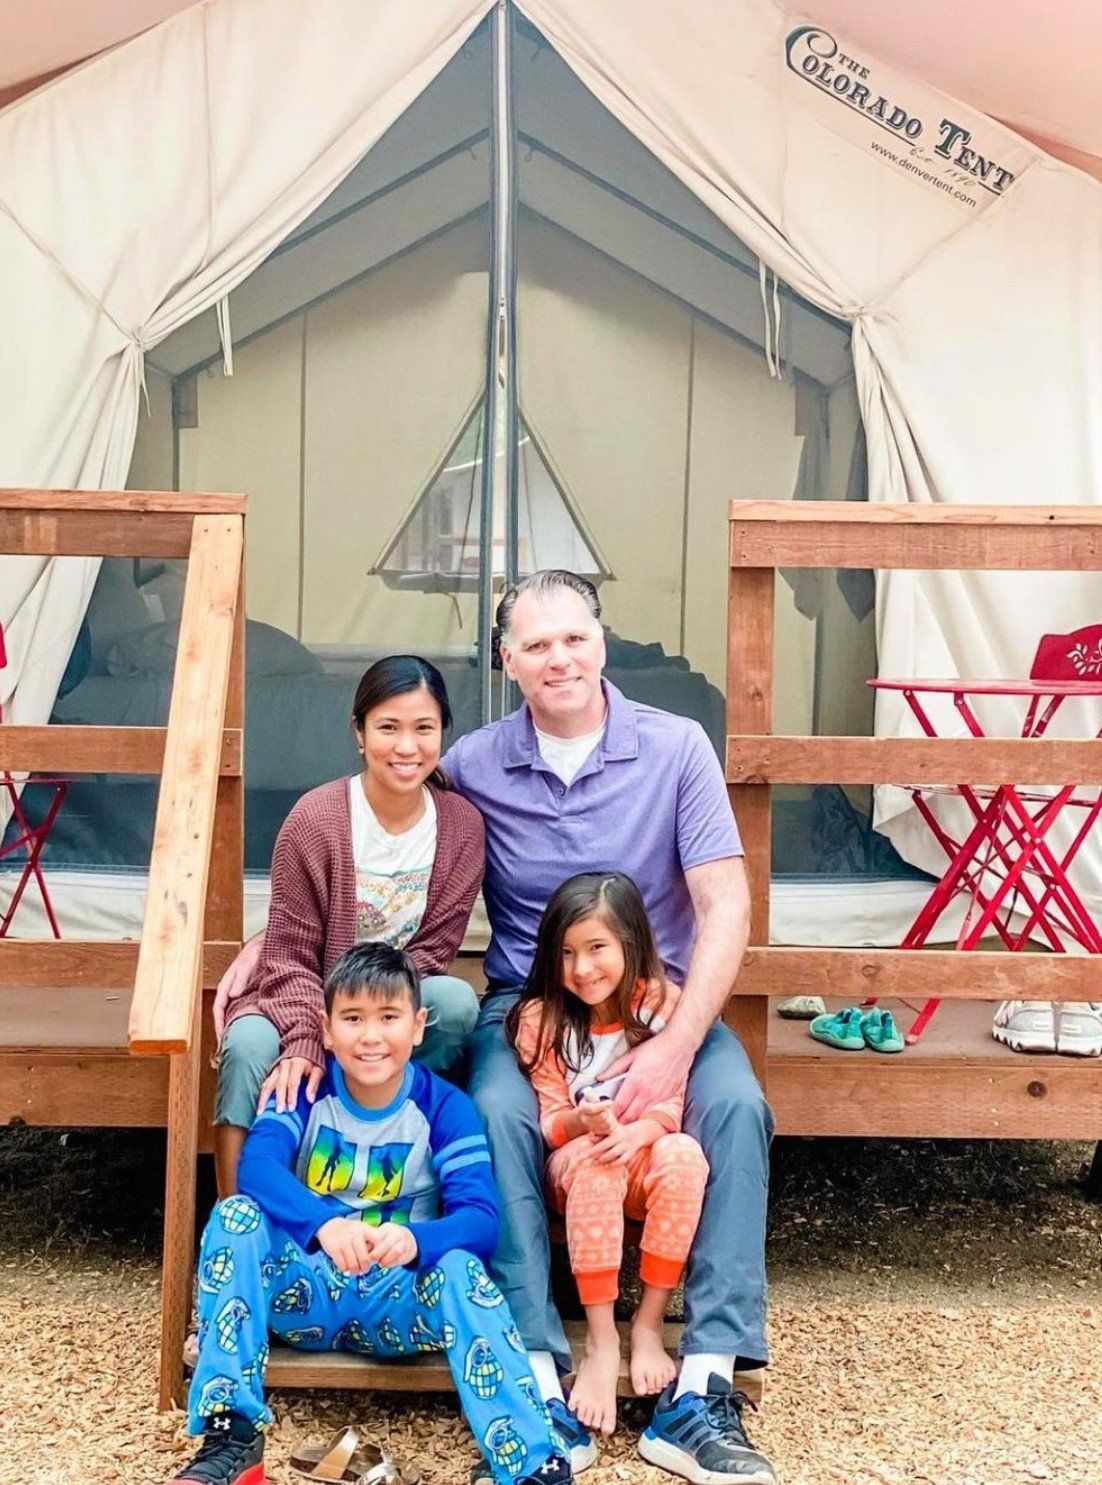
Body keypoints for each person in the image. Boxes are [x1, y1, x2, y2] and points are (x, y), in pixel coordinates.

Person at [448, 571, 775, 1485]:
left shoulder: (676, 749)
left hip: (659, 1004)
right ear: (506, 659)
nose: (559, 657)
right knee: (494, 1114)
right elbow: (391, 846)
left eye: (574, 637)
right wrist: (273, 946)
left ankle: (703, 1384)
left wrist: (672, 1045)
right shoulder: (472, 762)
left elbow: (726, 903)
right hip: (529, 1005)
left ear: (602, 640)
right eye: (536, 643)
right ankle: (535, 1374)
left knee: (738, 1107)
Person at [171, 942, 573, 1485]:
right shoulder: (305, 1089)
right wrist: (323, 1225)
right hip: (301, 1294)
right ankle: (232, 1437)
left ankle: (529, 1461)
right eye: (353, 1018)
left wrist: (418, 1243)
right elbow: (258, 1168)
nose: (371, 1036)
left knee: (461, 1270)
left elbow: (481, 1218)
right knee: (236, 1215)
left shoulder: (445, 1107)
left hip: (398, 1300)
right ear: (326, 1028)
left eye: (389, 1017)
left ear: (418, 1025)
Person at [212, 655, 485, 1194]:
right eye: (388, 728)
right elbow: (288, 954)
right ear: (359, 733)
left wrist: (363, 1022)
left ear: (442, 734)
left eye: (423, 728)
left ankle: (396, 1158)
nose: (407, 747)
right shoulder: (315, 819)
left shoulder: (461, 826)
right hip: (300, 995)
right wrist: (312, 1036)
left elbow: (433, 952)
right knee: (246, 1045)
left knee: (453, 1003)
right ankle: (235, 1216)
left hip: (389, 996)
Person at [507, 872, 709, 1440]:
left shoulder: (660, 1005)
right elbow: (548, 1122)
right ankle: (601, 1338)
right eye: (567, 953)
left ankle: (647, 1323)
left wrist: (638, 1132)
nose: (582, 968)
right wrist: (584, 1122)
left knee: (686, 1155)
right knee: (595, 1164)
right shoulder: (540, 1020)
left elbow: (670, 1105)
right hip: (578, 1165)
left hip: (641, 1153)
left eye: (598, 948)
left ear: (631, 944)